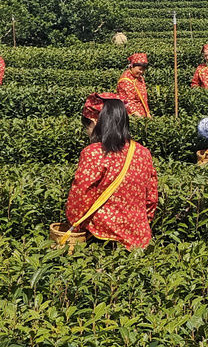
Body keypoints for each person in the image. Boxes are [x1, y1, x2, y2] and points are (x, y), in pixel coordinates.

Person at [64, 93, 158, 250]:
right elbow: (151, 198)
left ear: (95, 122)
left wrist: (74, 224)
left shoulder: (93, 153)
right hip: (139, 239)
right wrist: (140, 223)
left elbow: (80, 196)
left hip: (103, 238)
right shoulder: (142, 152)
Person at [117, 53, 151, 117]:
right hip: (131, 116)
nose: (141, 72)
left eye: (143, 70)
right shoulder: (125, 81)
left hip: (143, 113)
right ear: (132, 66)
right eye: (140, 69)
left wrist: (147, 113)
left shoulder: (139, 78)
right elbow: (127, 102)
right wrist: (139, 118)